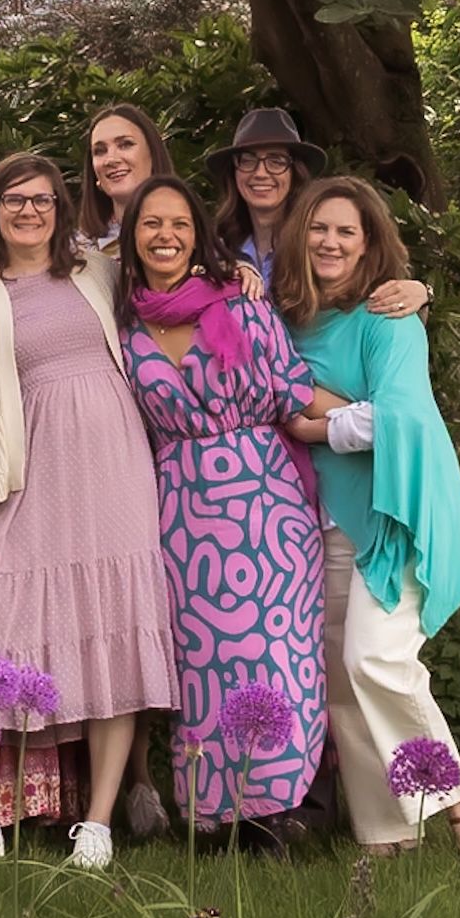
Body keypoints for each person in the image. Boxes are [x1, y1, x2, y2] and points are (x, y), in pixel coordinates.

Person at [0, 152, 178, 868]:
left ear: (59, 207)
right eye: (15, 200)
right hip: (28, 480)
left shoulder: (95, 270)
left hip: (116, 480)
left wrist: (245, 277)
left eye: (41, 199)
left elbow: (178, 280)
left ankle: (97, 824)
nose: (29, 211)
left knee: (115, 636)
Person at [273, 179, 460, 855]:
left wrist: (316, 424)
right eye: (318, 228)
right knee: (341, 676)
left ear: (368, 244)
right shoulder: (288, 319)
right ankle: (384, 832)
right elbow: (280, 397)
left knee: (376, 657)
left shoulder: (389, 315)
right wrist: (332, 406)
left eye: (346, 231)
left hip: (399, 512)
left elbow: (397, 416)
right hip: (328, 519)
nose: (329, 241)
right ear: (298, 235)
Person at [116, 175, 325, 842]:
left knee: (273, 653)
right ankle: (211, 817)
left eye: (178, 222)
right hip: (179, 506)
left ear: (198, 234)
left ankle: (281, 811)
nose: (164, 235)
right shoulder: (120, 324)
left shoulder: (241, 302)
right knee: (201, 661)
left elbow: (294, 393)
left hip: (265, 501)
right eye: (150, 223)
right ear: (133, 236)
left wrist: (389, 422)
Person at [209, 108, 426, 314]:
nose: (260, 173)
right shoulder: (219, 243)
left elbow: (373, 288)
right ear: (234, 172)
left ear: (295, 172)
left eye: (276, 161)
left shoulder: (320, 242)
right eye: (247, 160)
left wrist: (424, 293)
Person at [75, 102, 177, 253]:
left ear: (153, 154)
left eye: (125, 144)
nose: (111, 160)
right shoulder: (72, 254)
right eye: (100, 151)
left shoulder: (196, 238)